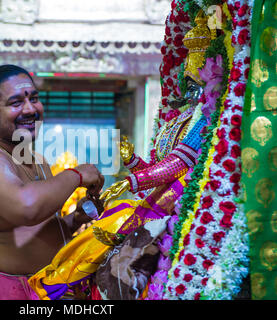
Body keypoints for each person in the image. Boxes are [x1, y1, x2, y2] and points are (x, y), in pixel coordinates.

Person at [27, 10, 211, 300]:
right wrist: (132, 161)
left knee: (116, 236)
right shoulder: (185, 115)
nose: (187, 67)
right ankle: (62, 279)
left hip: (177, 198)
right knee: (106, 225)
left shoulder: (205, 116)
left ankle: (76, 283)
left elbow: (179, 163)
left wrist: (132, 180)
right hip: (156, 196)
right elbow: (161, 167)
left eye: (195, 58)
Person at [0, 64, 105, 300]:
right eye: (16, 103)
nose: (30, 109)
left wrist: (75, 219)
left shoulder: (37, 160)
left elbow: (32, 231)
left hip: (40, 290)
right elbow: (26, 208)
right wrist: (76, 175)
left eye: (34, 98)